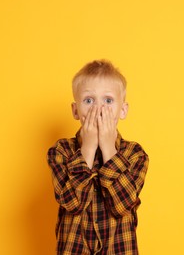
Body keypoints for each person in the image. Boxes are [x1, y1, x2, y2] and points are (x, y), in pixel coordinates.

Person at [47, 59, 149, 254]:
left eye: (108, 100)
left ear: (123, 110)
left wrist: (108, 146)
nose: (98, 109)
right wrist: (89, 146)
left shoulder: (135, 154)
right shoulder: (60, 151)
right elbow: (72, 203)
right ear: (76, 110)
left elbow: (122, 205)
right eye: (88, 100)